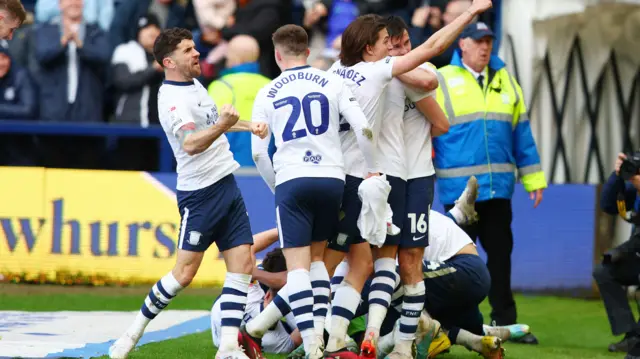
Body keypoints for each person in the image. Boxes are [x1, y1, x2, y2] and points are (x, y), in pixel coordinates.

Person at [325, 2, 492, 358]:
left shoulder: (348, 70)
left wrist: (396, 67)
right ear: (373, 46)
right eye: (390, 43)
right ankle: (329, 337)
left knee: (389, 261)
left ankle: (383, 343)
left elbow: (432, 86)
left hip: (398, 175)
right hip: (377, 175)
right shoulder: (377, 70)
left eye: (399, 44)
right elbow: (428, 77)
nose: (397, 50)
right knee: (354, 261)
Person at [109, 27, 268, 359]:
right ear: (170, 61)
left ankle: (227, 348)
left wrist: (247, 125)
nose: (197, 53)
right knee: (184, 274)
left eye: (195, 47)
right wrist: (225, 124)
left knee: (243, 264)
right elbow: (191, 143)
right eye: (188, 50)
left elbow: (213, 121)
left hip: (226, 183)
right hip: (201, 193)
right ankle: (130, 334)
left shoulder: (194, 85)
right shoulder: (171, 99)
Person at [248, 24, 381, 359]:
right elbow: (363, 127)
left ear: (277, 55)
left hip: (293, 180)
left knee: (298, 269)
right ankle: (321, 338)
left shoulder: (268, 91)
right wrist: (372, 168)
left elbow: (258, 153)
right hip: (332, 179)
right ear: (308, 51)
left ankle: (312, 348)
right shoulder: (333, 81)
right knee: (320, 260)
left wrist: (278, 187)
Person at [433, 21, 546, 345]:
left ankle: (504, 321)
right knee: (457, 263)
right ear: (462, 44)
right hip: (459, 193)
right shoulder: (442, 79)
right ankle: (453, 326)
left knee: (500, 257)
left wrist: (534, 178)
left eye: (489, 41)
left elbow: (521, 132)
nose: (485, 47)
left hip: (498, 189)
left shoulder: (505, 80)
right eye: (478, 41)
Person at [594, 153, 640, 355]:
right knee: (604, 271)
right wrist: (617, 175)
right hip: (636, 255)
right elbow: (608, 205)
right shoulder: (633, 189)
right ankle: (631, 335)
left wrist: (621, 250)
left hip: (634, 249)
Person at [207, 34, 271, 166]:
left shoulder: (221, 85)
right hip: (268, 166)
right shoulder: (272, 86)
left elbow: (209, 126)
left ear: (233, 57)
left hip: (229, 166)